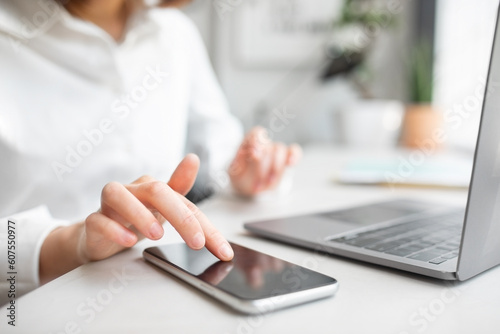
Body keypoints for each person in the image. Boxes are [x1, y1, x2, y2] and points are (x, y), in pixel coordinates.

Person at [0, 0, 301, 306]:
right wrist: (69, 244)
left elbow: (220, 151)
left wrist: (250, 170)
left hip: (152, 296)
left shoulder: (174, 31)